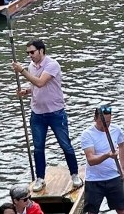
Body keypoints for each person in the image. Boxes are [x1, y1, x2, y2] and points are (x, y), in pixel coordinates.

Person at [12, 39, 81, 191]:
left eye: (32, 52)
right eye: (28, 53)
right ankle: (40, 178)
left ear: (41, 50)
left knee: (65, 145)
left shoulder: (52, 65)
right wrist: (27, 91)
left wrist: (21, 71)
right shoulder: (31, 66)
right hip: (37, 114)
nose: (30, 55)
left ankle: (75, 174)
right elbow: (35, 86)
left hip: (55, 113)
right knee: (38, 148)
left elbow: (41, 83)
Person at [81, 105, 124, 214]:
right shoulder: (87, 134)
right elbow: (91, 160)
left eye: (109, 122)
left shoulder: (116, 130)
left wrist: (122, 168)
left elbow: (122, 146)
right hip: (94, 180)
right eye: (103, 122)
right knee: (91, 212)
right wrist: (107, 155)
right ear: (95, 119)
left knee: (122, 210)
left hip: (114, 177)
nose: (106, 125)